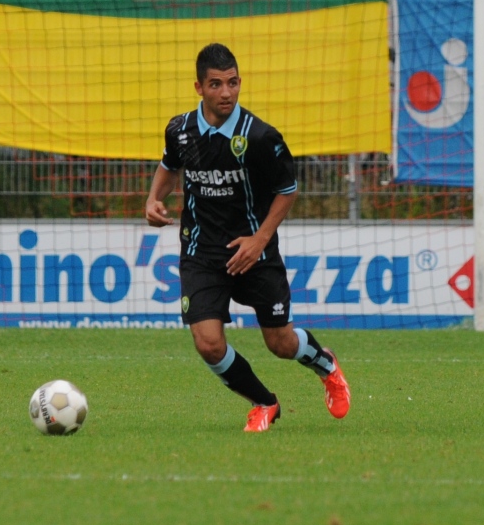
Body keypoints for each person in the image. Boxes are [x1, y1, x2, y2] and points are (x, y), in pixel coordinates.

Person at [145, 43, 350, 432]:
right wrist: (154, 199)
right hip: (200, 250)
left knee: (280, 343)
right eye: (216, 84)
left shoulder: (259, 136)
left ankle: (326, 364)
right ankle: (264, 402)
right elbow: (169, 166)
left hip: (254, 251)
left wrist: (259, 239)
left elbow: (287, 189)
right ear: (199, 87)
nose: (226, 93)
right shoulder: (180, 129)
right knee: (207, 343)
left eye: (233, 83)